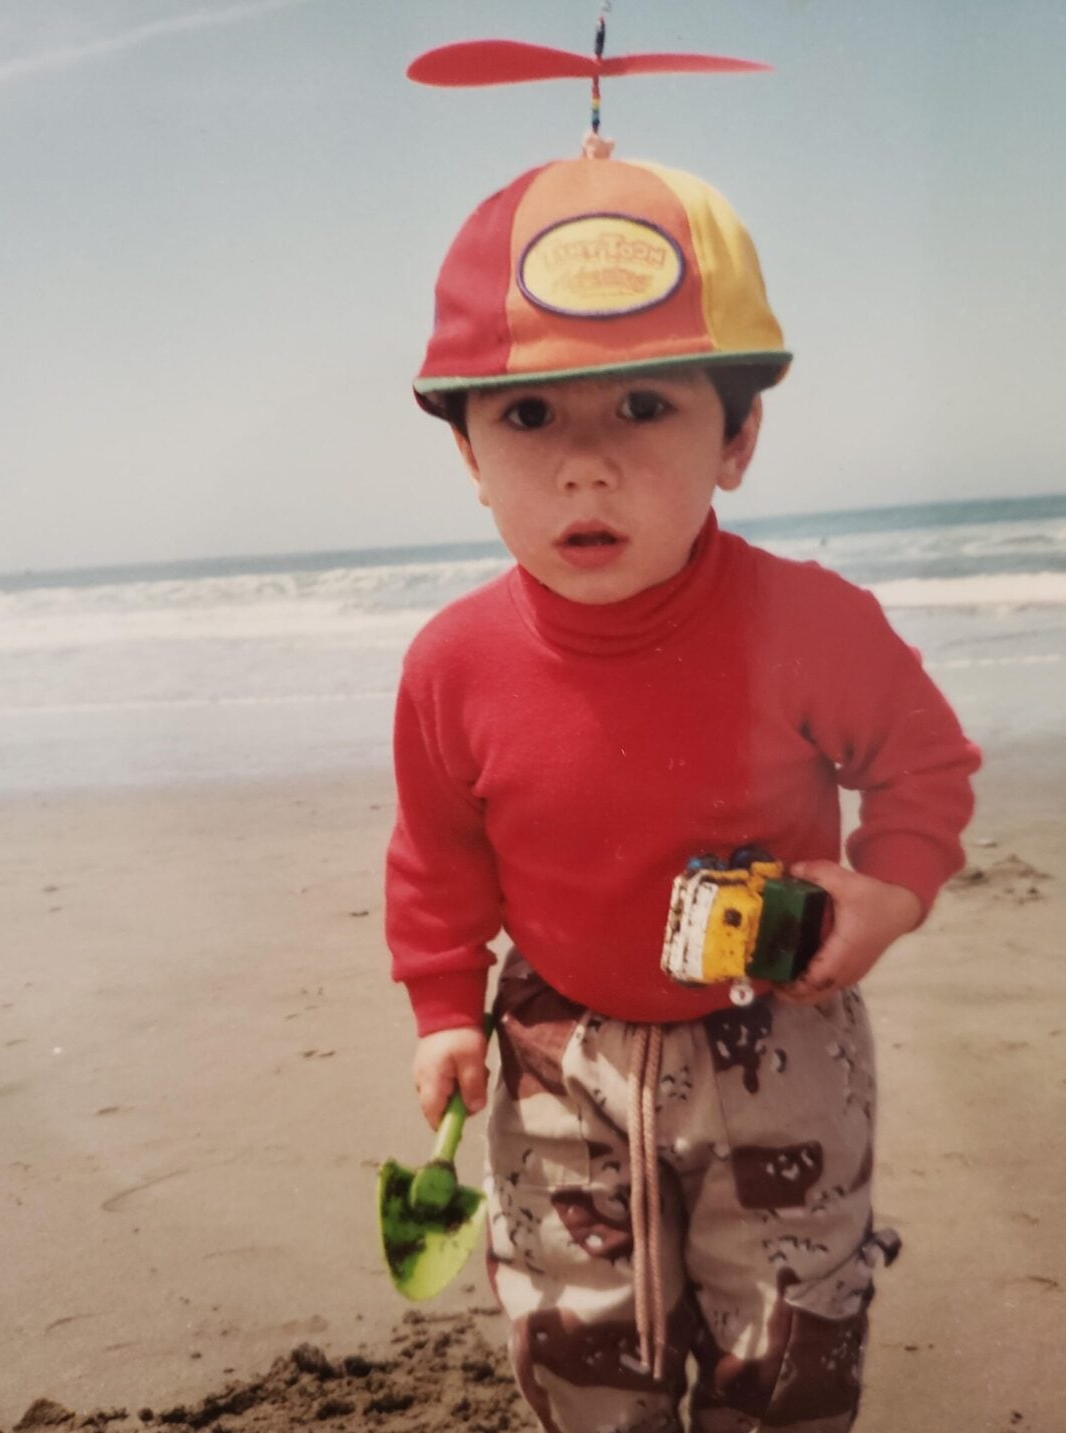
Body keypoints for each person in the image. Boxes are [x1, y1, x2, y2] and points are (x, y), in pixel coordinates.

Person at [385, 149, 980, 1432]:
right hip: (557, 1039)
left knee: (792, 1330)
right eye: (530, 417)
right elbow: (438, 855)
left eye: (645, 406)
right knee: (575, 1320)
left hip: (780, 1031)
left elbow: (925, 769)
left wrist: (890, 894)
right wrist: (443, 1005)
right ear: (468, 455)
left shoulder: (811, 624)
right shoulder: (452, 663)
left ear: (739, 436)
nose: (584, 466)